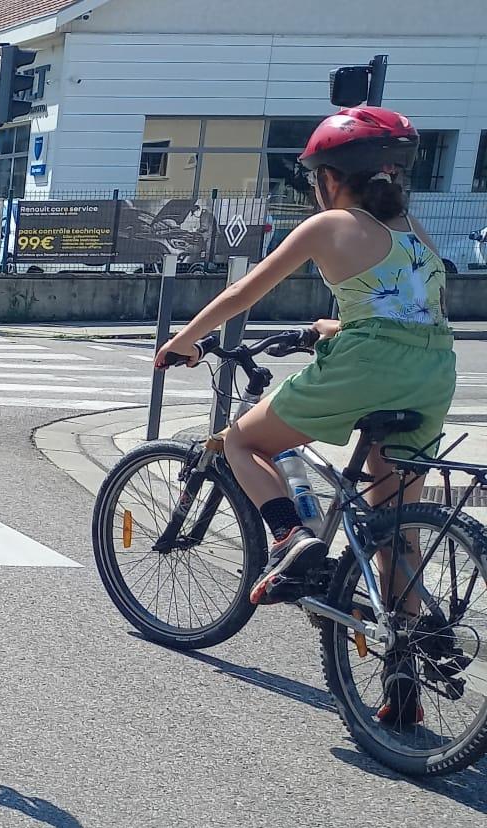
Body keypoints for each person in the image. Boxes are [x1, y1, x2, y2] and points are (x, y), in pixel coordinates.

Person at [156, 106, 455, 629]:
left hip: (366, 368)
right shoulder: (414, 231)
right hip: (433, 373)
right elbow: (412, 314)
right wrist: (335, 327)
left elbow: (243, 293)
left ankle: (291, 537)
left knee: (239, 443)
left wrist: (184, 340)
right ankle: (408, 663)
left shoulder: (330, 225)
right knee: (393, 526)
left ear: (331, 178)